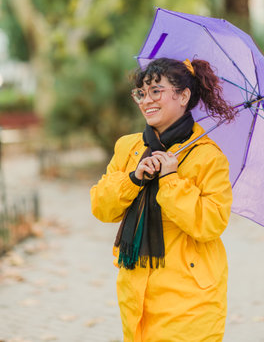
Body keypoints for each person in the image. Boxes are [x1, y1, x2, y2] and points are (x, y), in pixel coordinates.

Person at [90, 57, 236, 342]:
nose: (146, 100)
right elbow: (100, 208)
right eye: (141, 93)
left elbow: (211, 224)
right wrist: (133, 179)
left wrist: (170, 180)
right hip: (136, 292)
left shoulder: (208, 156)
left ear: (184, 96)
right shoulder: (128, 147)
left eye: (156, 91)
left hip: (190, 296)